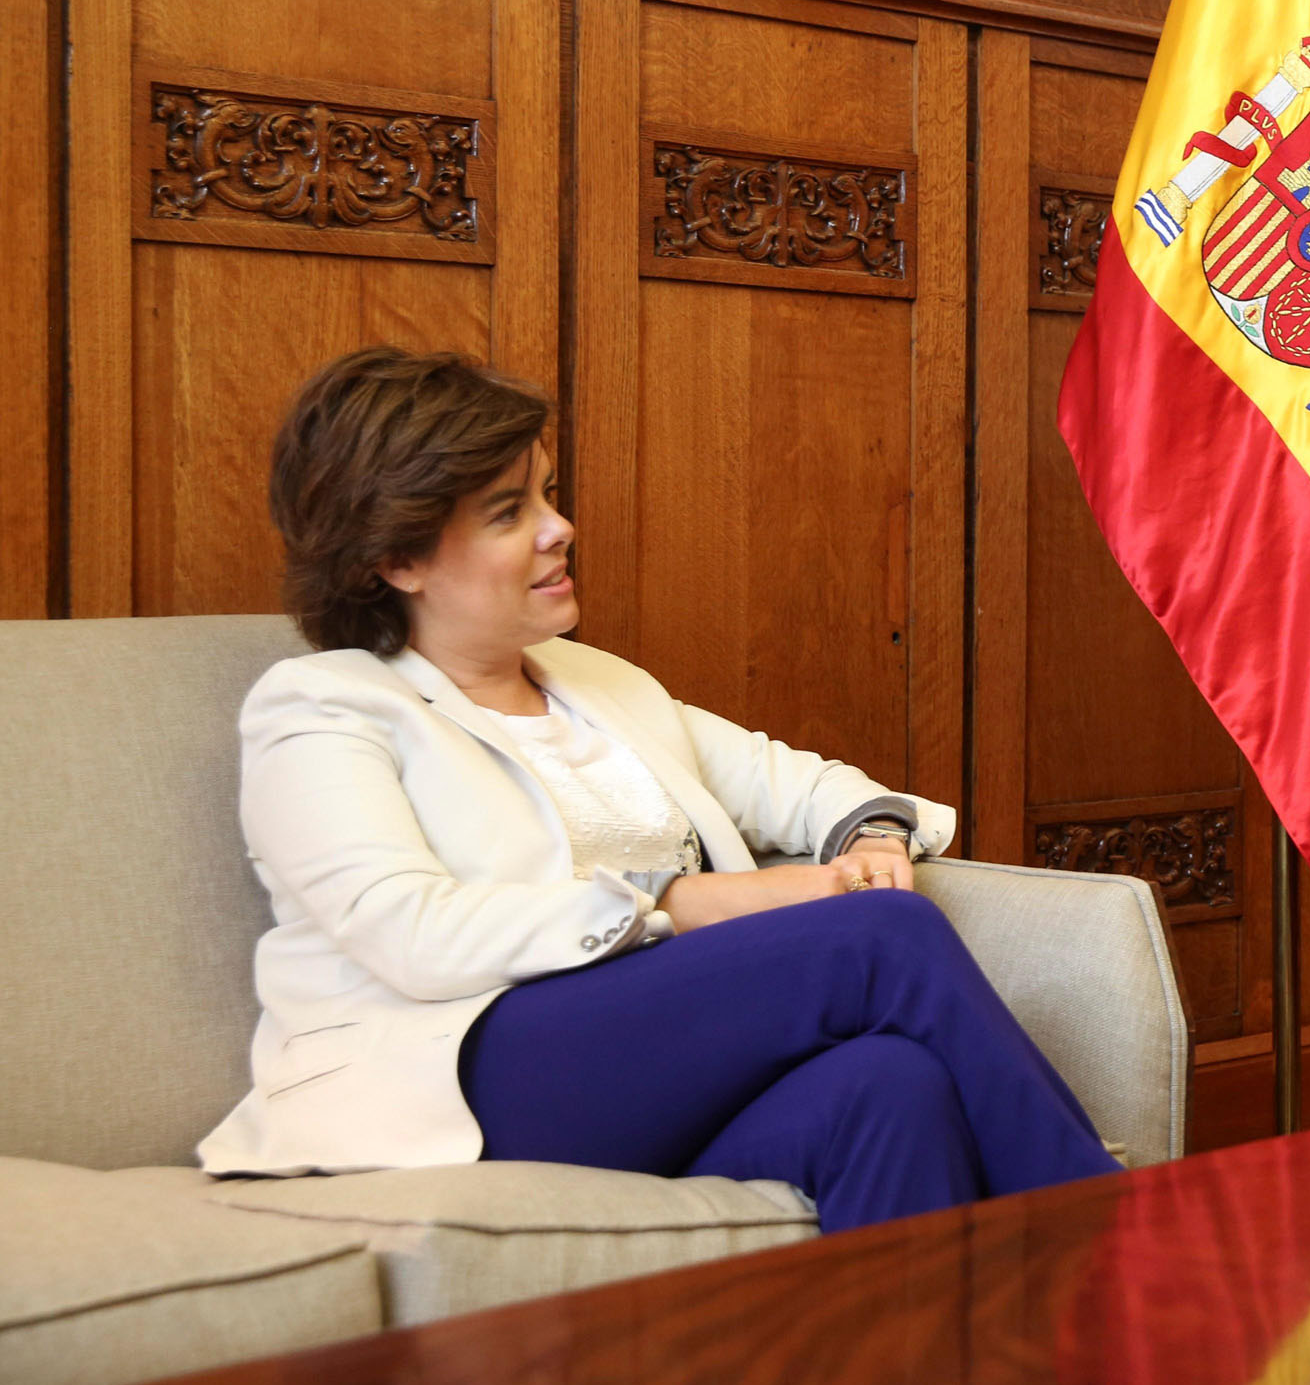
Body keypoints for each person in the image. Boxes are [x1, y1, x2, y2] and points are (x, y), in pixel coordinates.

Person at [196, 348, 1119, 1228]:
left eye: (547, 494)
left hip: (650, 1072)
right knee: (881, 938)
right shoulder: (324, 706)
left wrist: (873, 840)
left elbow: (814, 790)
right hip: (463, 1081)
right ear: (397, 559)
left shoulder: (601, 686)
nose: (560, 528)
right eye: (508, 512)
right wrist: (679, 902)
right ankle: (1128, 1245)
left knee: (889, 1086)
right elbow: (414, 935)